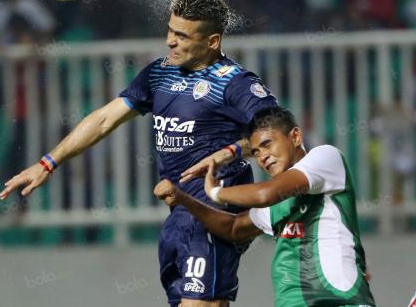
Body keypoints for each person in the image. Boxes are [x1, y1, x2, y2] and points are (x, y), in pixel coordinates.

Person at [0, 0, 278, 307]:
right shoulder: (159, 73)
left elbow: (276, 131)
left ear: (213, 41)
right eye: (171, 31)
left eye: (182, 36)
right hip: (179, 213)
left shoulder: (235, 82)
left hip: (215, 211)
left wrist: (233, 151)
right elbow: (105, 119)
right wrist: (48, 162)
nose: (170, 41)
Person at [154, 106, 376, 307]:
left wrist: (215, 192)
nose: (263, 157)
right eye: (257, 152)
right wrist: (184, 199)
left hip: (339, 301)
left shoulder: (326, 158)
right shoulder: (277, 200)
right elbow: (233, 228)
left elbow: (265, 194)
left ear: (296, 136)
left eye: (267, 144)